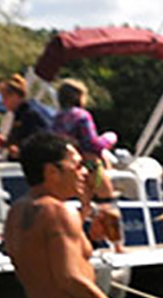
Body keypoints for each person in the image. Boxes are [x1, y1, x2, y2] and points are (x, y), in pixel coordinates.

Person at [1, 132, 163, 298]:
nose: (84, 172)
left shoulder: (17, 212)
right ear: (52, 171)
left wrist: (85, 221)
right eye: (76, 165)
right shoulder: (58, 212)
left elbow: (44, 262)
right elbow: (70, 279)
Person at [52, 79, 123, 251]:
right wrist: (110, 137)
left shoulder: (56, 118)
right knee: (108, 204)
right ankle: (118, 246)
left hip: (71, 167)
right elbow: (93, 144)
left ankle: (77, 242)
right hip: (91, 166)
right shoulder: (82, 116)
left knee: (84, 208)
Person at [0, 74, 54, 158]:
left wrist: (20, 150)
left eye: (5, 97)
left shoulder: (31, 114)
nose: (3, 102)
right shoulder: (20, 113)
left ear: (16, 96)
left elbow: (39, 141)